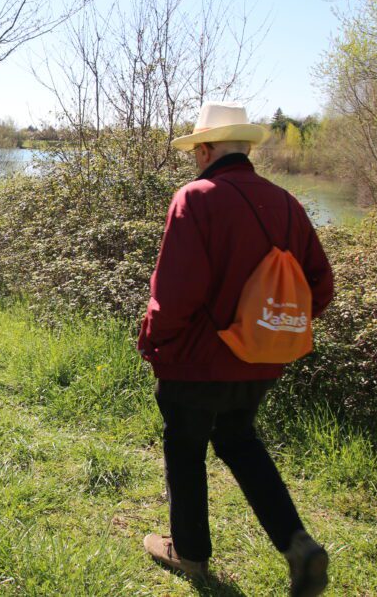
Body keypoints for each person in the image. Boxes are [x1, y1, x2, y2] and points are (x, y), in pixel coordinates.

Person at [137, 102, 334, 597]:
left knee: (185, 448)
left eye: (195, 152)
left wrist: (151, 341)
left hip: (196, 362)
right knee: (239, 441)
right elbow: (320, 288)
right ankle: (299, 547)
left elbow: (175, 294)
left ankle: (190, 554)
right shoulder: (289, 203)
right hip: (261, 360)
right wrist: (270, 328)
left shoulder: (196, 198)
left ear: (204, 150)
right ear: (244, 148)